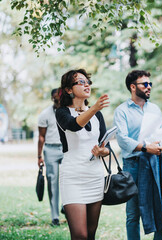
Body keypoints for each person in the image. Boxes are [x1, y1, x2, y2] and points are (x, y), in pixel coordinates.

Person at [55, 69, 110, 240]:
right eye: (80, 82)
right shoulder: (62, 112)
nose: (86, 85)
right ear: (69, 90)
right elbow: (73, 125)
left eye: (88, 82)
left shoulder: (97, 115)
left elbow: (107, 147)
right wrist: (94, 108)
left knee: (91, 234)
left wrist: (102, 151)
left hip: (94, 177)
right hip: (72, 178)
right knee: (80, 235)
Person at [114, 70, 162, 240]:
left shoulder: (155, 109)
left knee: (161, 207)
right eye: (145, 84)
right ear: (132, 87)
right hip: (133, 165)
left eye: (150, 84)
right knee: (133, 213)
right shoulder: (122, 111)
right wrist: (145, 147)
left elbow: (161, 132)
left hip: (154, 162)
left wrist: (160, 144)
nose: (149, 87)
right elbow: (122, 139)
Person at [37, 88, 64, 226]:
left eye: (59, 96)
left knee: (69, 179)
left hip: (66, 149)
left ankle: (66, 206)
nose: (57, 99)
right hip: (50, 149)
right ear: (52, 98)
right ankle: (55, 216)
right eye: (55, 97)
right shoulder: (45, 114)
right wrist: (39, 156)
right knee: (52, 183)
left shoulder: (68, 111)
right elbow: (41, 137)